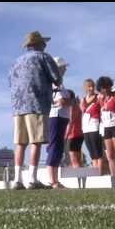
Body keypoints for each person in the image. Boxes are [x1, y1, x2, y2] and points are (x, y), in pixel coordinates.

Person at [8, 30, 62, 189]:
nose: (45, 45)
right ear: (39, 44)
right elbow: (57, 79)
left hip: (18, 106)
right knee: (36, 141)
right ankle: (32, 179)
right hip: (36, 103)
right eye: (43, 43)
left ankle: (17, 180)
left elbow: (10, 82)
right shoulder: (43, 57)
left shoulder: (16, 62)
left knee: (20, 143)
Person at [46, 56, 74, 189]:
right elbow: (62, 102)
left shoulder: (59, 84)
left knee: (58, 148)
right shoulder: (54, 83)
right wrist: (72, 102)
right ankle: (52, 180)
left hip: (61, 117)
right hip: (56, 116)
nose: (65, 70)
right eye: (63, 68)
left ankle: (55, 179)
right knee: (55, 147)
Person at [80, 78, 103, 169]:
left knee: (97, 149)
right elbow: (83, 110)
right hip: (86, 125)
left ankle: (100, 172)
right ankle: (95, 171)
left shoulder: (98, 97)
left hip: (95, 124)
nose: (91, 88)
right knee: (91, 150)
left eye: (93, 86)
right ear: (85, 88)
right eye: (89, 86)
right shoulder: (83, 99)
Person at [65, 88, 83, 168]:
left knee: (74, 160)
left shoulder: (71, 107)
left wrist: (65, 136)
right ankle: (80, 178)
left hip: (72, 135)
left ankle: (77, 178)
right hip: (79, 134)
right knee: (78, 159)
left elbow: (70, 122)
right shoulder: (78, 106)